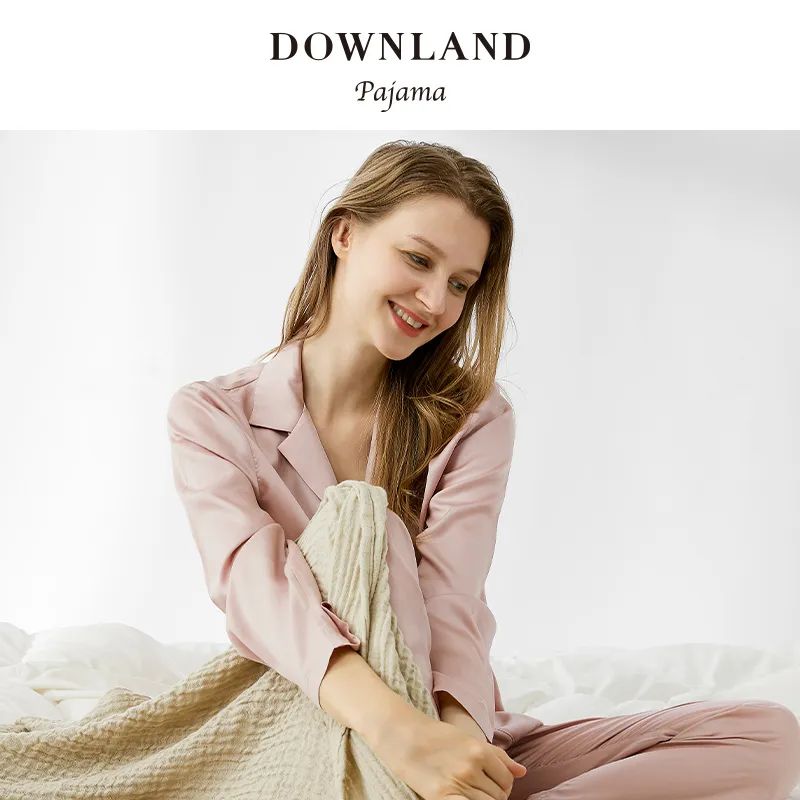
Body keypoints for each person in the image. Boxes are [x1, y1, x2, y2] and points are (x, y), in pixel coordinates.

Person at [167, 139, 800, 800]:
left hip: (446, 728)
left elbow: (452, 598)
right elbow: (258, 594)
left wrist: (460, 746)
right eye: (418, 259)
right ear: (344, 234)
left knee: (765, 737)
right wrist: (401, 737)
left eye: (460, 284)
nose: (434, 301)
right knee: (376, 532)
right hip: (320, 721)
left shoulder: (473, 418)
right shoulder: (214, 415)